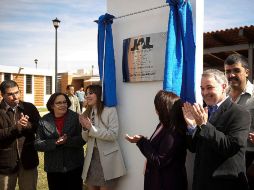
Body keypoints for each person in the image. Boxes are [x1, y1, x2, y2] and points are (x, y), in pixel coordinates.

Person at [182, 69, 251, 190]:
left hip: (226, 185)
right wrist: (191, 126)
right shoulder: (203, 112)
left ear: (223, 87)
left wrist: (204, 125)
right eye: (202, 88)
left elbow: (230, 147)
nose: (205, 92)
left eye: (209, 87)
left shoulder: (239, 113)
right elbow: (194, 148)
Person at [125, 90, 188, 190]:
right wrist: (141, 140)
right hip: (157, 180)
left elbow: (159, 160)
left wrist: (141, 142)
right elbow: (156, 148)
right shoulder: (163, 124)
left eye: (156, 105)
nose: (155, 108)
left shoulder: (173, 131)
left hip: (167, 183)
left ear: (163, 108)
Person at [34, 92, 85, 190]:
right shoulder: (44, 120)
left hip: (74, 165)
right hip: (54, 167)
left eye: (65, 102)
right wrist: (54, 143)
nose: (63, 105)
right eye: (59, 103)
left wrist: (67, 140)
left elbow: (82, 139)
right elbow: (37, 144)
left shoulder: (76, 118)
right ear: (52, 105)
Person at [79, 84, 126, 190]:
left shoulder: (110, 110)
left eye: (91, 93)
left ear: (99, 94)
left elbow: (113, 134)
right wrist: (85, 129)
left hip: (107, 159)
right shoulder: (87, 112)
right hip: (91, 158)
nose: (87, 96)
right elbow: (85, 138)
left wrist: (91, 129)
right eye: (86, 94)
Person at [0, 80, 40, 190]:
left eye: (17, 92)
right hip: (5, 164)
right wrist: (15, 128)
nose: (15, 96)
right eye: (10, 94)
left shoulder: (29, 108)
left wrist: (28, 125)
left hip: (28, 161)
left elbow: (40, 129)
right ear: (2, 95)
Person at [224, 53, 254, 188]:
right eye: (228, 71)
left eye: (236, 70)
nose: (231, 75)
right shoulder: (222, 96)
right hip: (226, 159)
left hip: (250, 159)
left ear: (247, 72)